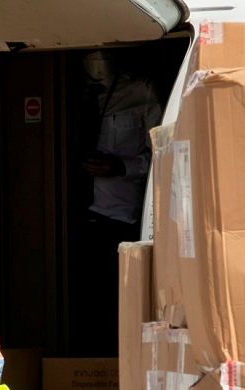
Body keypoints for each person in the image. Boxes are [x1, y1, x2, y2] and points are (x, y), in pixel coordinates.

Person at [75, 49, 163, 354]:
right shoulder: (68, 90)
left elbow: (161, 153)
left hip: (119, 215)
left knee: (114, 300)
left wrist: (120, 167)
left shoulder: (140, 91)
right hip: (71, 214)